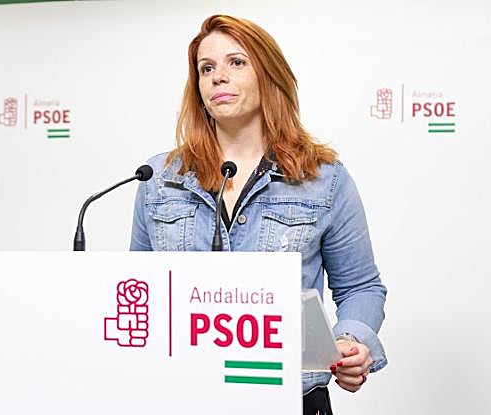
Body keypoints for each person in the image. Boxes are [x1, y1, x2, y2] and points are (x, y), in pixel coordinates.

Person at [130, 14, 387, 414]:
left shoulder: (323, 179)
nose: (218, 77)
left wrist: (350, 341)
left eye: (236, 62)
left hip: (291, 397)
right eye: (206, 68)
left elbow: (360, 286)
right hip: (182, 396)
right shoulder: (159, 178)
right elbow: (139, 289)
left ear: (268, 76)